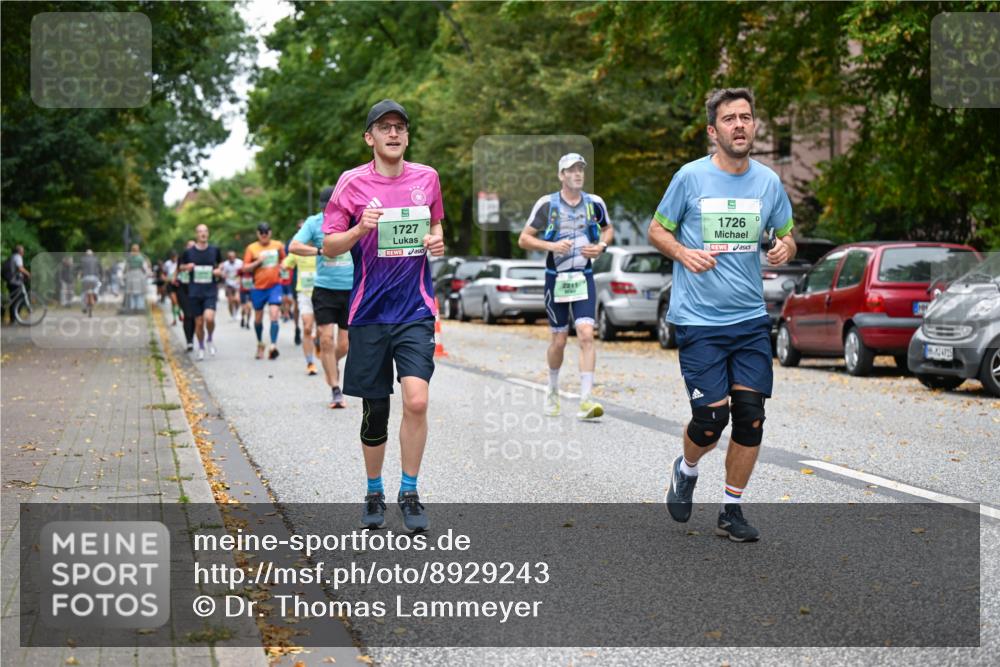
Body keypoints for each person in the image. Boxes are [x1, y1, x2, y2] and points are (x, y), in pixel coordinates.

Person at [649, 88, 797, 543]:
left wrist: (780, 249)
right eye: (730, 118)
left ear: (754, 126)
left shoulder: (768, 183)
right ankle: (687, 468)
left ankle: (731, 509)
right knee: (711, 420)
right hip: (699, 321)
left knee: (750, 415)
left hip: (750, 319)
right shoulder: (690, 179)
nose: (739, 125)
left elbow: (788, 239)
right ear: (713, 131)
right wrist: (682, 252)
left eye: (746, 117)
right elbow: (658, 229)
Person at [322, 99, 445, 532]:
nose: (393, 133)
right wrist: (360, 230)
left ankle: (408, 491)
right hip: (370, 312)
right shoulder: (351, 184)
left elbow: (435, 224)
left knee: (417, 399)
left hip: (414, 308)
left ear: (407, 136)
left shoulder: (427, 177)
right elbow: (330, 245)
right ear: (369, 137)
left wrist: (436, 242)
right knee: (376, 411)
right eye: (384, 127)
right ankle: (374, 490)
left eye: (400, 127)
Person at [518, 153, 614, 421]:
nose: (577, 174)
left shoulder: (594, 203)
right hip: (556, 279)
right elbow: (524, 239)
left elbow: (608, 229)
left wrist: (601, 247)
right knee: (559, 340)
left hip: (583, 276)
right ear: (561, 175)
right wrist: (551, 246)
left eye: (580, 169)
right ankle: (552, 387)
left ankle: (586, 399)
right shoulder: (547, 204)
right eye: (571, 170)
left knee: (586, 334)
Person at [290, 186, 354, 407]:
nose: (329, 213)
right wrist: (318, 251)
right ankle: (336, 390)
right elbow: (294, 246)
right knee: (326, 340)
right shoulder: (314, 222)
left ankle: (330, 362)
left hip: (350, 288)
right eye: (325, 209)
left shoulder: (353, 218)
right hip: (324, 289)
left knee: (344, 345)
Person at [180, 225, 223, 360]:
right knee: (198, 323)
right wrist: (187, 267)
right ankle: (201, 346)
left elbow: (221, 264)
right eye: (200, 232)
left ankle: (209, 338)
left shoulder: (214, 250)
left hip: (210, 290)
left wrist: (219, 271)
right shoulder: (189, 252)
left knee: (209, 318)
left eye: (205, 231)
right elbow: (180, 267)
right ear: (196, 235)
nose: (203, 234)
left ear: (208, 234)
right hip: (194, 291)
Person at [243, 223, 285, 360]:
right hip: (258, 288)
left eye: (266, 231)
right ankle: (260, 343)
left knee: (274, 314)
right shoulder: (252, 248)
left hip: (275, 286)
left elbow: (284, 260)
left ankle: (273, 346)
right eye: (261, 232)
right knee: (258, 318)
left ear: (270, 233)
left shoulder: (278, 245)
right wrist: (258, 262)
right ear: (257, 234)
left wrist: (283, 267)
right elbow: (245, 268)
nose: (264, 234)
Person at [283, 244, 318, 375]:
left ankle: (319, 341)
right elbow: (285, 265)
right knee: (307, 327)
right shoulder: (297, 250)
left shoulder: (322, 246)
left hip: (322, 293)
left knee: (321, 330)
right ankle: (310, 363)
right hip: (304, 293)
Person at [176, 240, 197, 351]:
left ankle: (191, 338)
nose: (191, 249)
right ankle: (189, 341)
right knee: (188, 315)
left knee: (193, 317)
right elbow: (178, 269)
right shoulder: (182, 257)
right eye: (189, 246)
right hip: (183, 289)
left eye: (193, 247)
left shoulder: (199, 258)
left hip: (195, 290)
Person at [3, 245, 31, 323]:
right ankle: (15, 318)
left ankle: (13, 319)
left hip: (10, 281)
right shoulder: (18, 257)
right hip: (15, 282)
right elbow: (20, 268)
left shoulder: (12, 257)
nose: (23, 252)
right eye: (22, 250)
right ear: (19, 251)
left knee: (14, 300)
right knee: (20, 300)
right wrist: (28, 274)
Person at [124, 244, 150, 312]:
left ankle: (133, 307)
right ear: (138, 249)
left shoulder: (129, 257)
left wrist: (125, 275)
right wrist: (146, 274)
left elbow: (126, 267)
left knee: (132, 292)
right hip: (139, 274)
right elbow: (144, 268)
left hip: (131, 274)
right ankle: (139, 307)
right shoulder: (141, 257)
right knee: (140, 292)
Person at [220, 250, 244, 319]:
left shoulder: (240, 262)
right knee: (230, 301)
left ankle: (236, 312)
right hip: (229, 284)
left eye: (233, 256)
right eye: (230, 257)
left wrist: (240, 279)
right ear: (228, 257)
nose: (232, 258)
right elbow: (223, 274)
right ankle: (232, 314)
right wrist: (224, 276)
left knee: (237, 300)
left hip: (238, 284)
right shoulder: (225, 264)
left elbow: (243, 272)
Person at [79, 249, 102, 317]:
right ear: (92, 254)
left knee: (83, 292)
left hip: (85, 278)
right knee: (98, 286)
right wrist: (102, 277)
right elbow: (101, 269)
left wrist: (78, 275)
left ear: (86, 254)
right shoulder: (96, 259)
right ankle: (95, 292)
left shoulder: (82, 259)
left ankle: (84, 307)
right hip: (95, 278)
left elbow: (79, 268)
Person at [162, 251, 180, 325]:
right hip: (170, 283)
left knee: (177, 302)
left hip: (178, 283)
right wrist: (165, 279)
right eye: (173, 258)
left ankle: (176, 316)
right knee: (174, 301)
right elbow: (163, 273)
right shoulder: (167, 263)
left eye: (175, 258)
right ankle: (177, 316)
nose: (174, 259)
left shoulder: (179, 262)